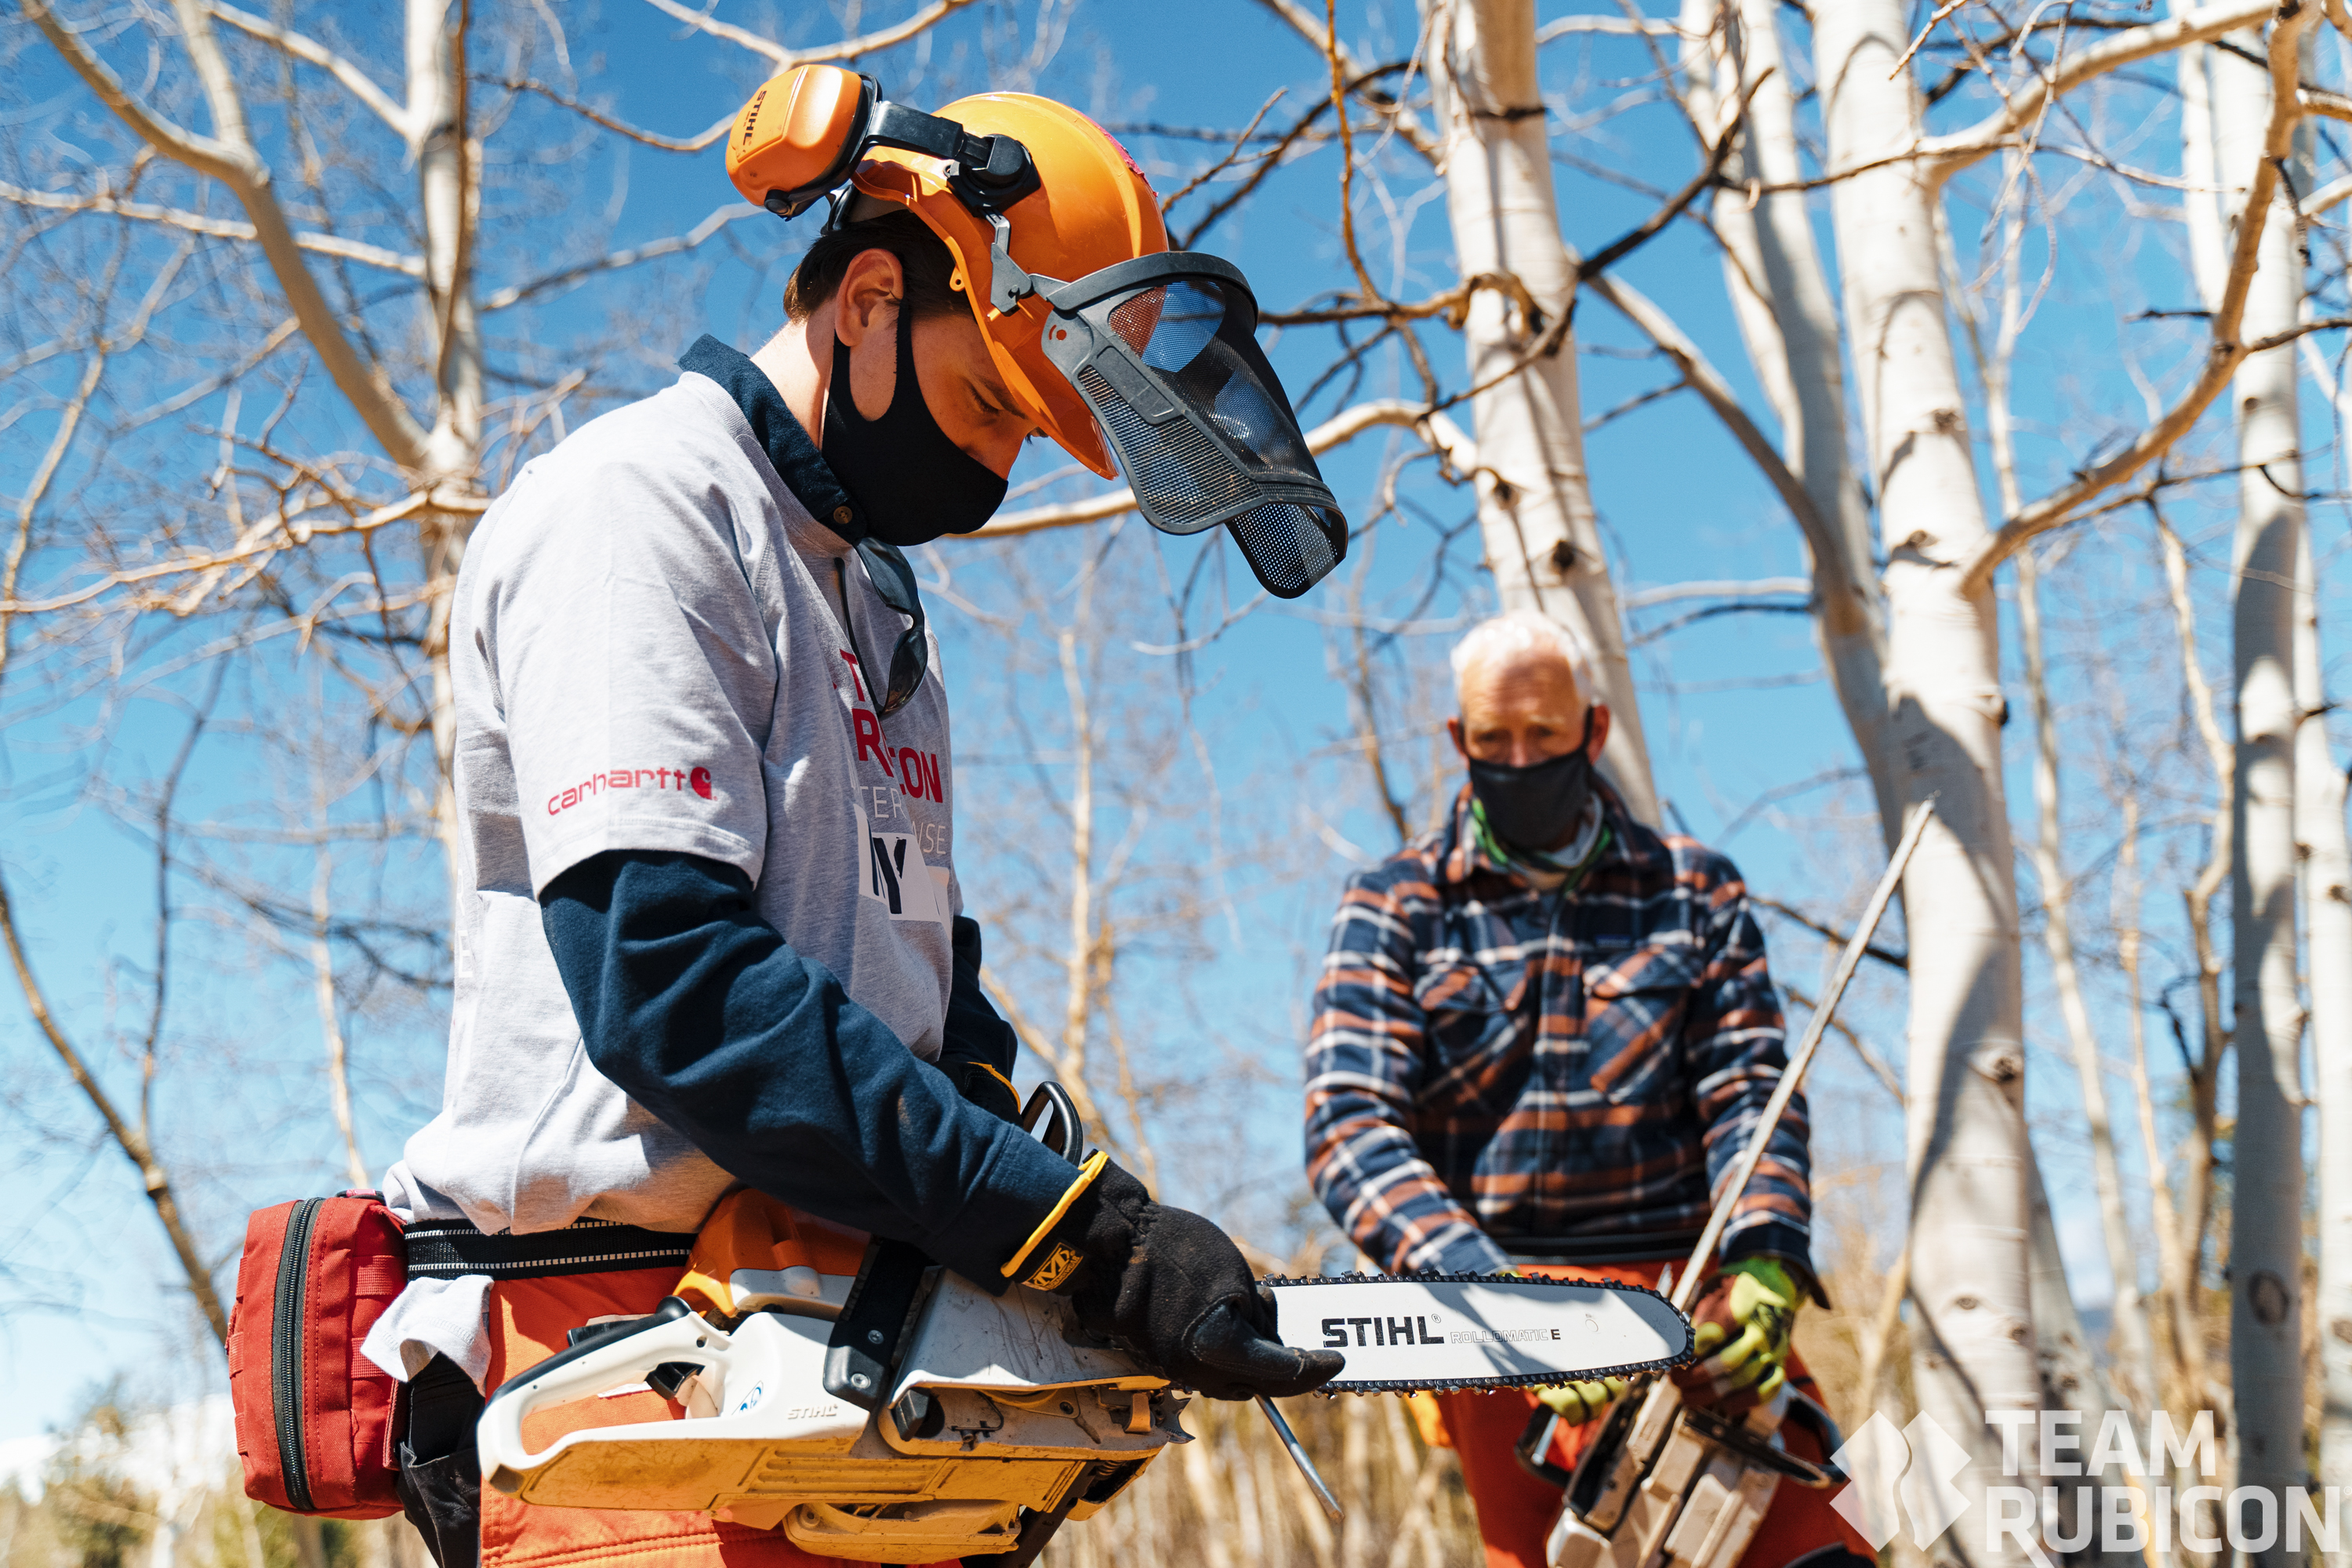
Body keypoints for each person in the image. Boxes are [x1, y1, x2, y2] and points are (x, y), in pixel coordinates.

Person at [361, 71, 1344, 1568]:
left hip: (832, 1337)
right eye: (989, 406)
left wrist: (1089, 1231)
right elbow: (679, 992)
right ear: (871, 299)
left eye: (1028, 435)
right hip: (624, 1345)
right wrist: (1066, 1238)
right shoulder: (641, 511)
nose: (996, 467)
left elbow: (917, 989)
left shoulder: (872, 597)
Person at [1301, 610, 1871, 1568]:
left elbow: (1748, 1084)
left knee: (1844, 1535)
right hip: (1490, 1296)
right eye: (1494, 739)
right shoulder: (1394, 901)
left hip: (1691, 1285)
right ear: (1460, 740)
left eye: (1544, 733)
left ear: (1593, 730)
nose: (1520, 758)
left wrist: (1767, 1252)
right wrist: (1491, 1293)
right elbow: (1348, 1123)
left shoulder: (1694, 889)